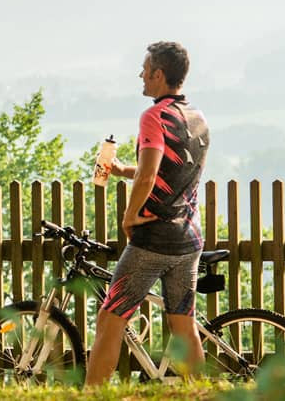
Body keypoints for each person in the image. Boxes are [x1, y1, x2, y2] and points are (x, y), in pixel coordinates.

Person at [84, 41, 210, 386]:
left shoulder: (153, 116)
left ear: (158, 74)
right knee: (183, 325)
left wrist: (130, 216)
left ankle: (91, 395)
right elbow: (170, 170)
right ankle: (203, 393)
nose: (140, 74)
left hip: (154, 239)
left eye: (145, 69)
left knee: (111, 319)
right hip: (188, 239)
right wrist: (124, 169)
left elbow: (150, 174)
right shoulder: (197, 117)